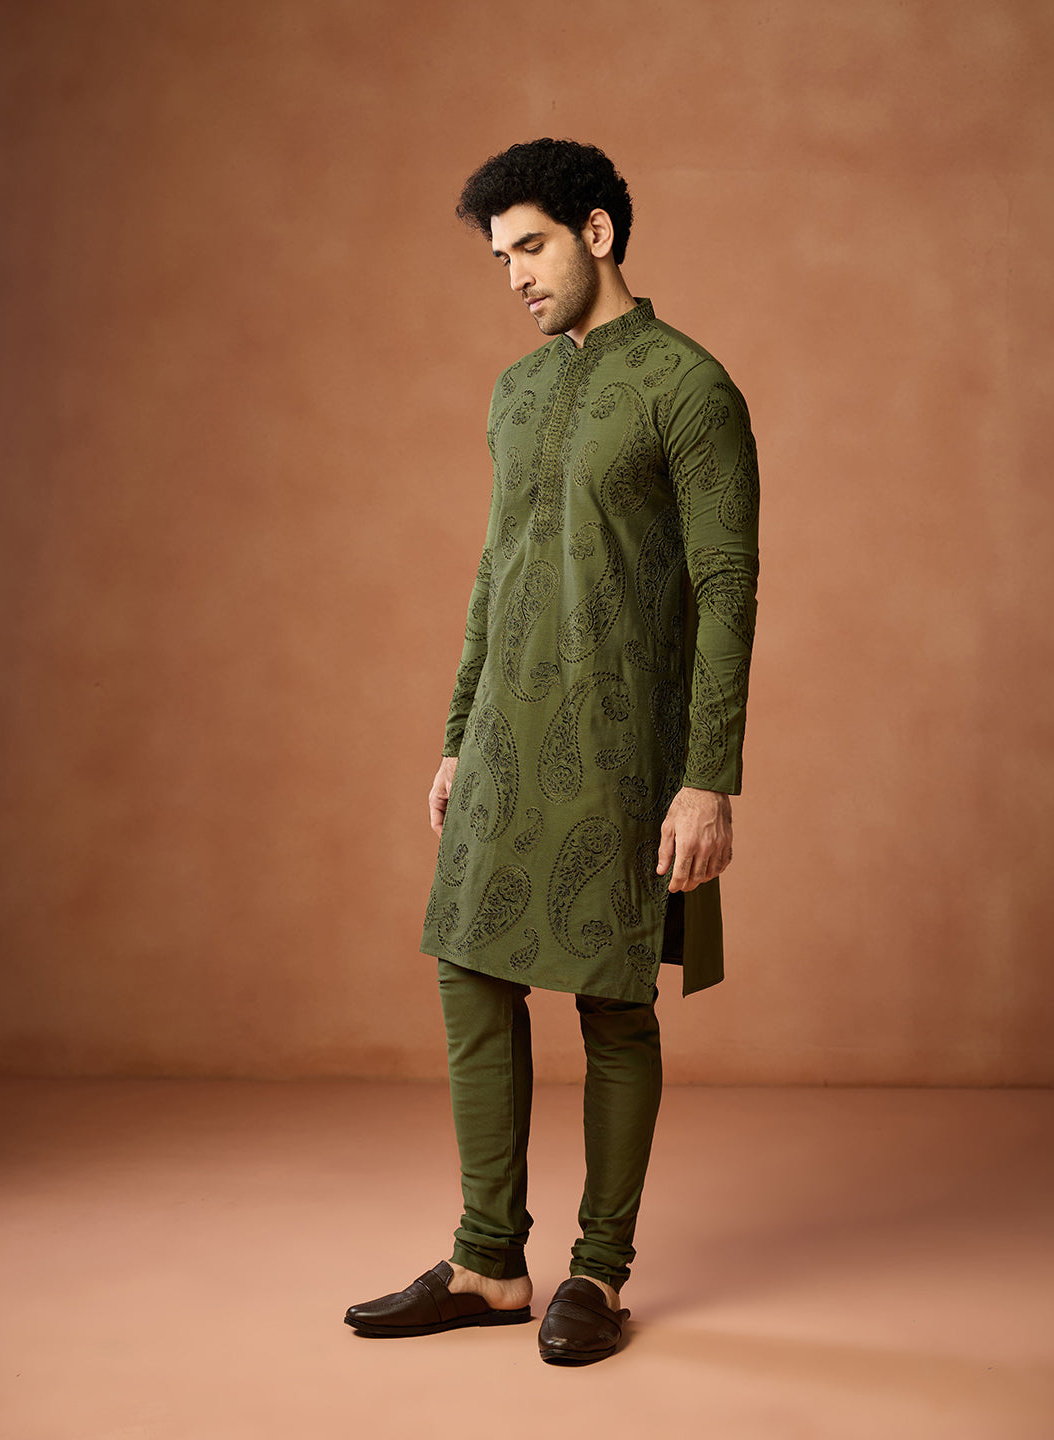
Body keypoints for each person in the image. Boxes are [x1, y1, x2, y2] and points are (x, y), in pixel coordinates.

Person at [345, 138, 759, 1364]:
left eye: (530, 246)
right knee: (469, 972)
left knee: (614, 1001)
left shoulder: (691, 386)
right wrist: (456, 736)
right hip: (506, 735)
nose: (516, 274)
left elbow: (728, 587)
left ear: (598, 233)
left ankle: (598, 1272)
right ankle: (487, 1264)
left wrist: (709, 776)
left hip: (625, 742)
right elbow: (496, 569)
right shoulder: (516, 392)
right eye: (501, 258)